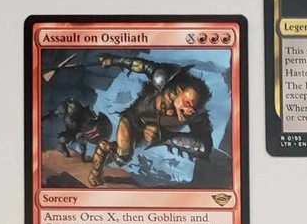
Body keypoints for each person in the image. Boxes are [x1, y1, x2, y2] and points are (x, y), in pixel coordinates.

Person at [87, 57, 214, 186]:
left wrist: (164, 136)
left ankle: (102, 159)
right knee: (123, 156)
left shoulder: (197, 115)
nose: (190, 111)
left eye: (194, 108)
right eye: (188, 103)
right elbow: (140, 65)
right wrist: (112, 60)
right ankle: (102, 153)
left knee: (122, 157)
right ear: (179, 91)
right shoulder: (163, 78)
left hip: (154, 134)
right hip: (133, 121)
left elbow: (204, 147)